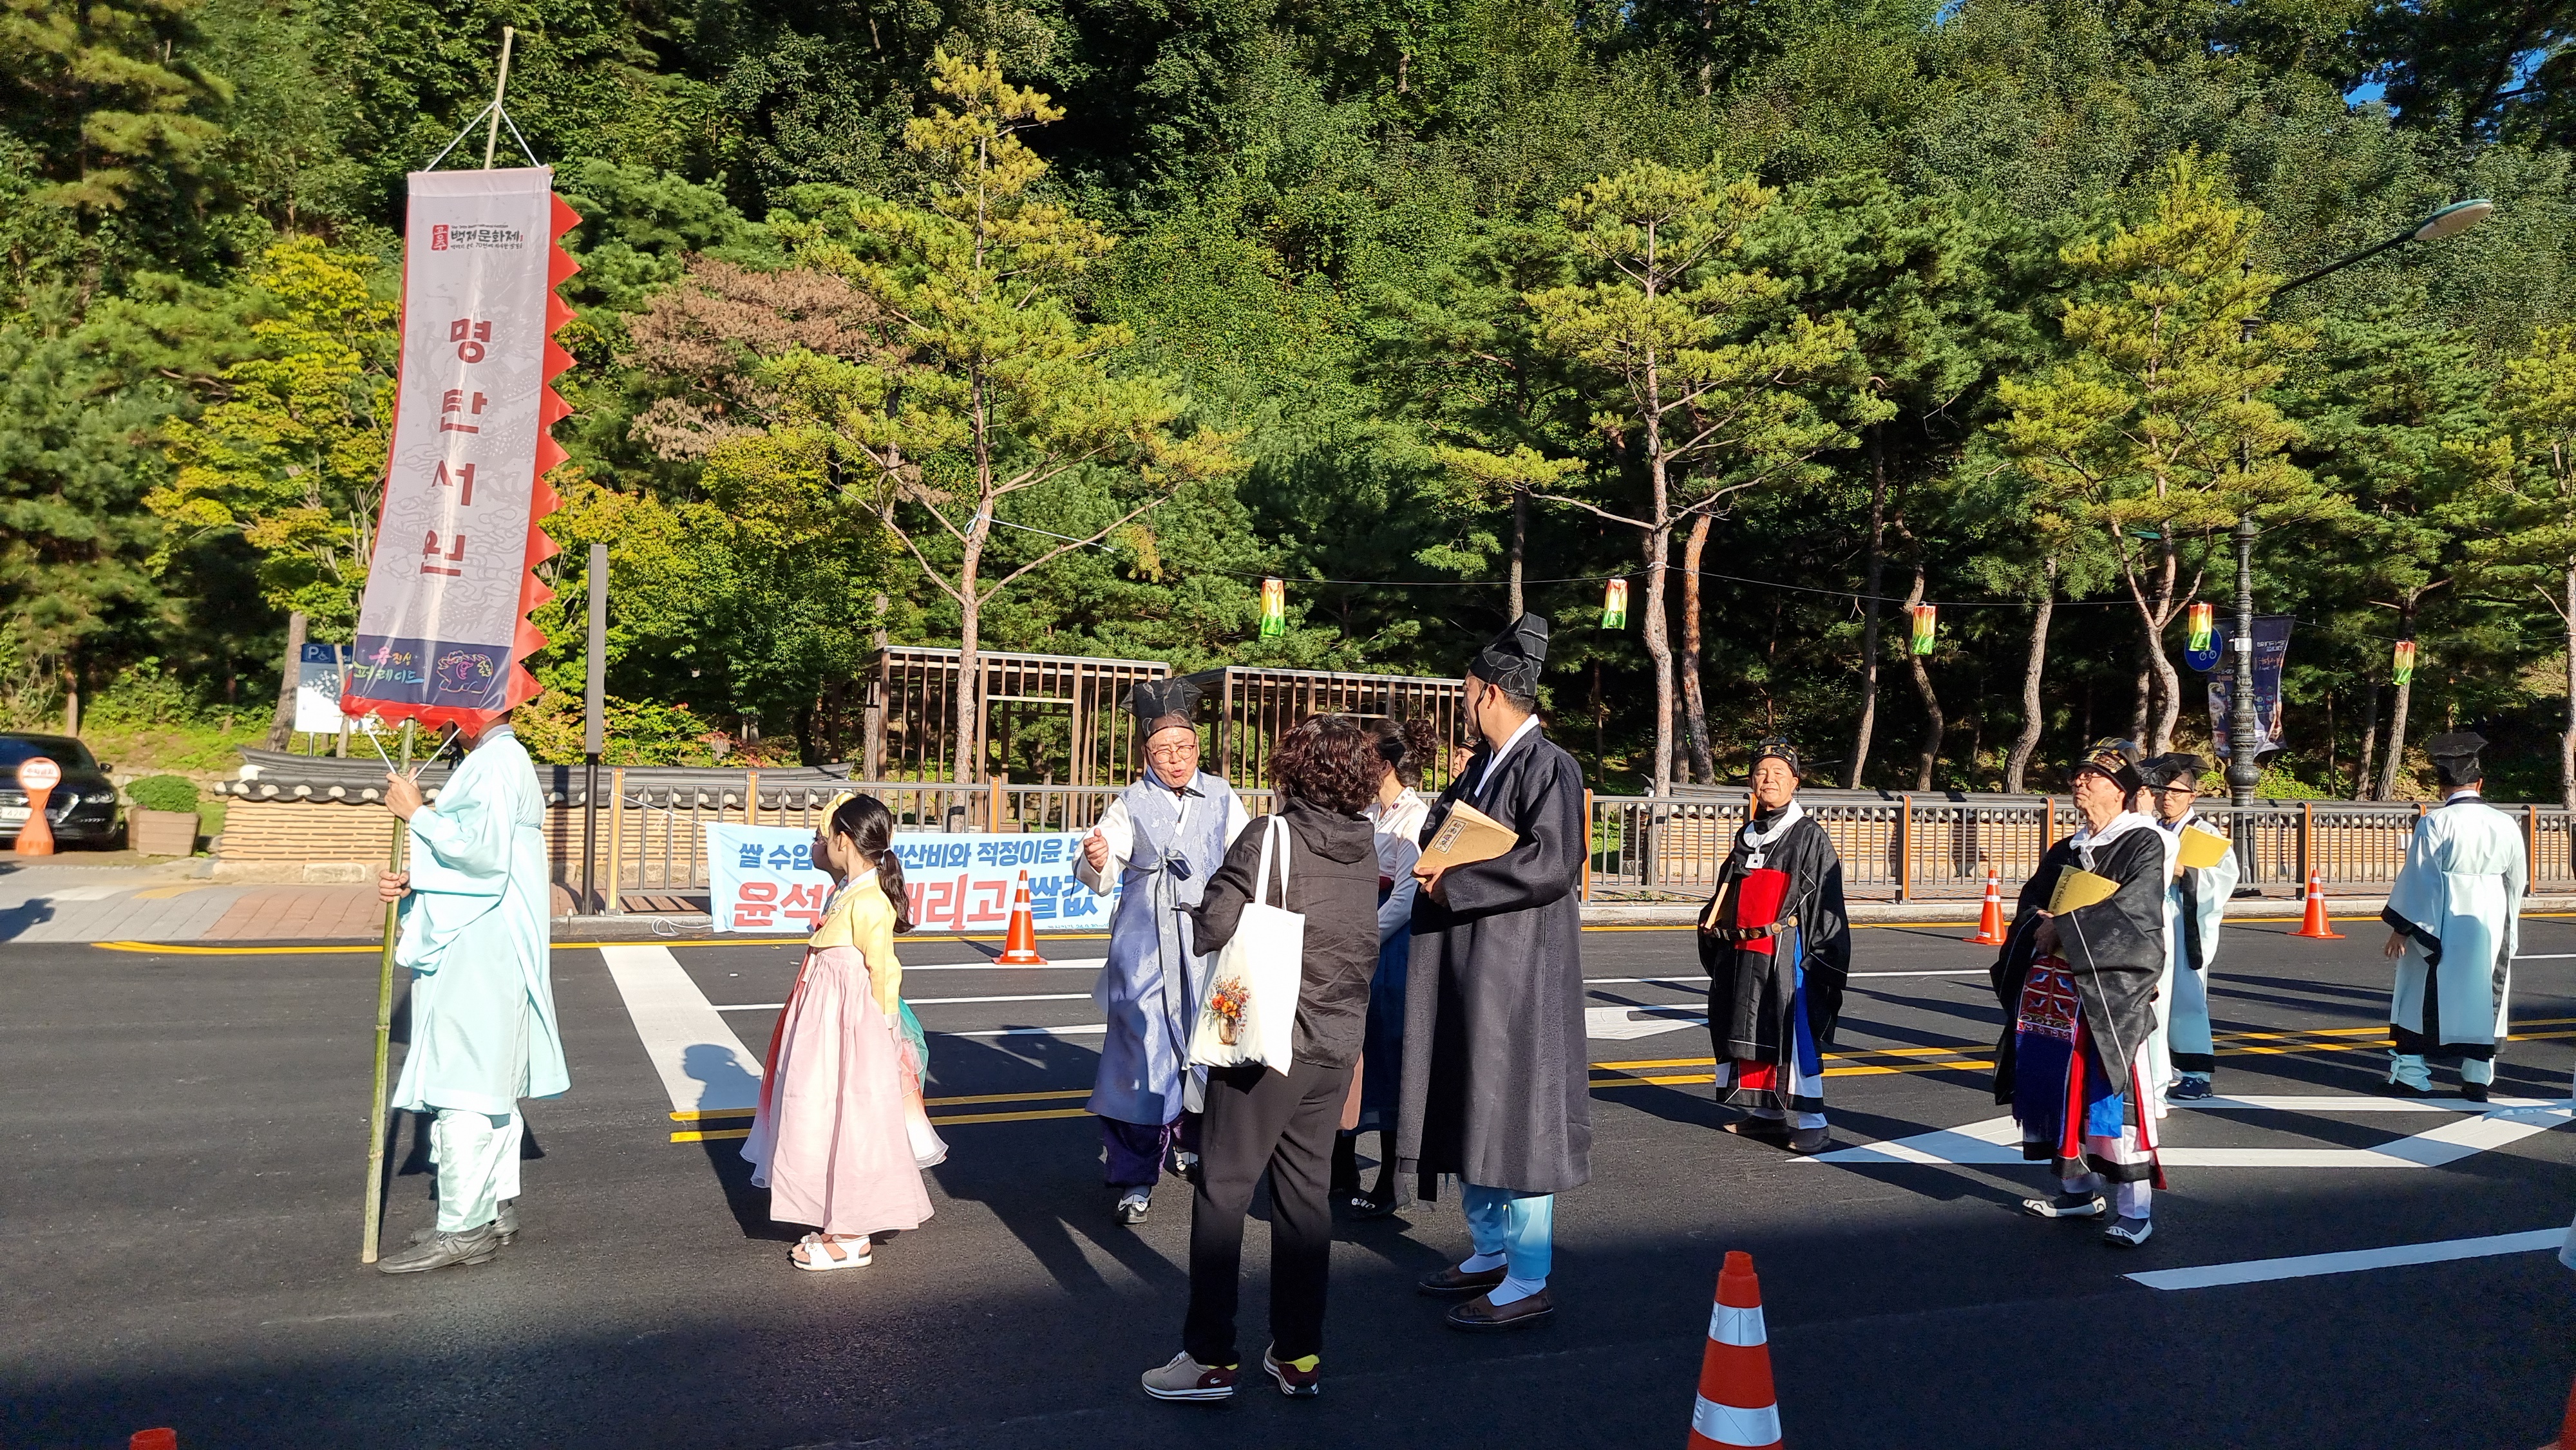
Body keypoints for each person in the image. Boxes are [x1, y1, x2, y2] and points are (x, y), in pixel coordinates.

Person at [1141, 715, 1386, 1402]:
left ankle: (1210, 1355)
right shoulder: (1365, 844)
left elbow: (1215, 924)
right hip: (1336, 1041)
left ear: (1294, 769)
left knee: (1223, 1187)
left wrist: (1198, 903)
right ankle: (1299, 1353)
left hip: (1266, 1041)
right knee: (1305, 1195)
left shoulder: (1269, 834)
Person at [1399, 613, 1590, 1332]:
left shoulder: (1550, 765)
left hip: (1517, 969)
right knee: (1473, 1101)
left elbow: (1552, 861)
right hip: (1469, 959)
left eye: (1466, 690)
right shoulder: (1483, 764)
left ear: (1489, 693)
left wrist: (1457, 882)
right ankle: (1489, 1249)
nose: (1463, 701)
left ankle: (1529, 1274)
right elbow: (1440, 833)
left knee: (1520, 1115)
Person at [373, 711, 569, 1274]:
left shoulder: (493, 763)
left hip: (480, 944)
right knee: (490, 1083)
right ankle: (492, 1208)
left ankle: (463, 1228)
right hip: (491, 938)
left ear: (473, 710)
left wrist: (417, 814)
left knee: (463, 1086)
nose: (440, 725)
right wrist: (416, 885)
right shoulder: (503, 759)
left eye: (447, 714)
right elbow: (484, 858)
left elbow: (481, 858)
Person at [740, 794, 943, 1270]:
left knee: (854, 1120)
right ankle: (837, 1221)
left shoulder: (868, 899)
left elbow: (884, 971)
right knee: (822, 1116)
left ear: (844, 840)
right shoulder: (849, 890)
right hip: (830, 1029)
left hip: (851, 1030)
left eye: (825, 835)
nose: (819, 843)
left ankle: (852, 1234)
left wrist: (883, 1033)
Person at [1079, 678, 1251, 1225]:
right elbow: (1102, 865)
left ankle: (1197, 1145)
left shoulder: (1222, 797)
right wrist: (1098, 857)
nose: (1176, 760)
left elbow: (1247, 861)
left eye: (1185, 748)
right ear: (1145, 754)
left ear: (1198, 747)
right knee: (1140, 1058)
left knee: (1212, 1050)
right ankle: (1134, 1176)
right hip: (1146, 950)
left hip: (1207, 948)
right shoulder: (1129, 803)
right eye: (1163, 751)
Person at [1989, 739, 2172, 1250]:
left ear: (2121, 791)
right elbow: (2032, 904)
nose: (2081, 782)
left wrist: (2065, 928)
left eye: (2094, 776)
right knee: (2057, 1088)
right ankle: (2077, 1191)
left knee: (2112, 1095)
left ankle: (2135, 1210)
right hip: (2055, 993)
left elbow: (2135, 914)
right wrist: (2039, 925)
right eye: (2079, 774)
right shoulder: (2066, 850)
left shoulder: (2142, 844)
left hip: (2109, 993)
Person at [1698, 738, 1850, 1154]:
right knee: (1746, 1028)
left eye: (1778, 773)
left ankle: (1813, 1121)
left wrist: (1820, 957)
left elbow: (1824, 900)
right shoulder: (1747, 834)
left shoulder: (1808, 836)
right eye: (1761, 773)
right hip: (1743, 950)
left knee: (1792, 1034)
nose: (1768, 780)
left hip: (1786, 951)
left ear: (1795, 782)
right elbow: (1728, 891)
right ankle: (1767, 1115)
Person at [2380, 731, 2525, 1102]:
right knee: (2486, 995)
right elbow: (2517, 881)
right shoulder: (2506, 823)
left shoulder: (2435, 823)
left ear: (2442, 786)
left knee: (2418, 994)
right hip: (2490, 918)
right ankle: (2478, 1079)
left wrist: (2402, 928)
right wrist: (2510, 927)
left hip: (2442, 915)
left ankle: (2412, 1075)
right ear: (2480, 783)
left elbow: (2421, 878)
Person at [1332, 715, 1437, 1216]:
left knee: (1388, 1056)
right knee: (1350, 1054)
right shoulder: (1371, 812)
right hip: (1363, 935)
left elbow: (1406, 896)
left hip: (1389, 949)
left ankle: (1392, 1182)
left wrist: (1363, 939)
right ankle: (1341, 1164)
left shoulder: (1413, 816)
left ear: (1386, 764)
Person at [2142, 753, 2238, 1102]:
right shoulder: (2154, 828)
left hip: (2185, 925)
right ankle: (2158, 1070)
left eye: (2176, 792)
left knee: (2188, 998)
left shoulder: (2204, 833)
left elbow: (2223, 878)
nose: (2167, 798)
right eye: (2162, 791)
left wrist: (2183, 871)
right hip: (2155, 922)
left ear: (2192, 796)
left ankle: (2197, 1074)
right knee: (2154, 997)